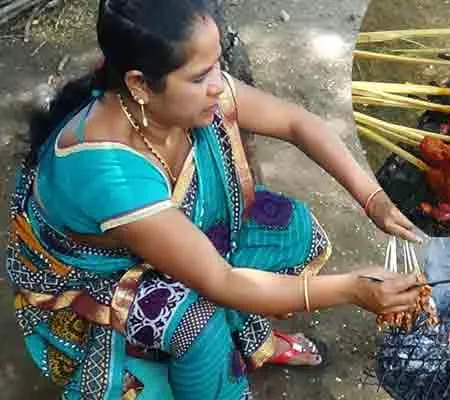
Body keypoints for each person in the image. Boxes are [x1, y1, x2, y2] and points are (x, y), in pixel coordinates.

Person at [4, 1, 423, 399]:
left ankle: (250, 338)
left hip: (174, 239)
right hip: (100, 280)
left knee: (290, 229)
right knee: (196, 323)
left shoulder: (185, 96)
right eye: (200, 75)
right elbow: (221, 282)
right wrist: (352, 289)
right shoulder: (108, 172)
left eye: (218, 63)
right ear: (139, 85)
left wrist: (373, 199)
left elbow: (297, 123)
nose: (218, 85)